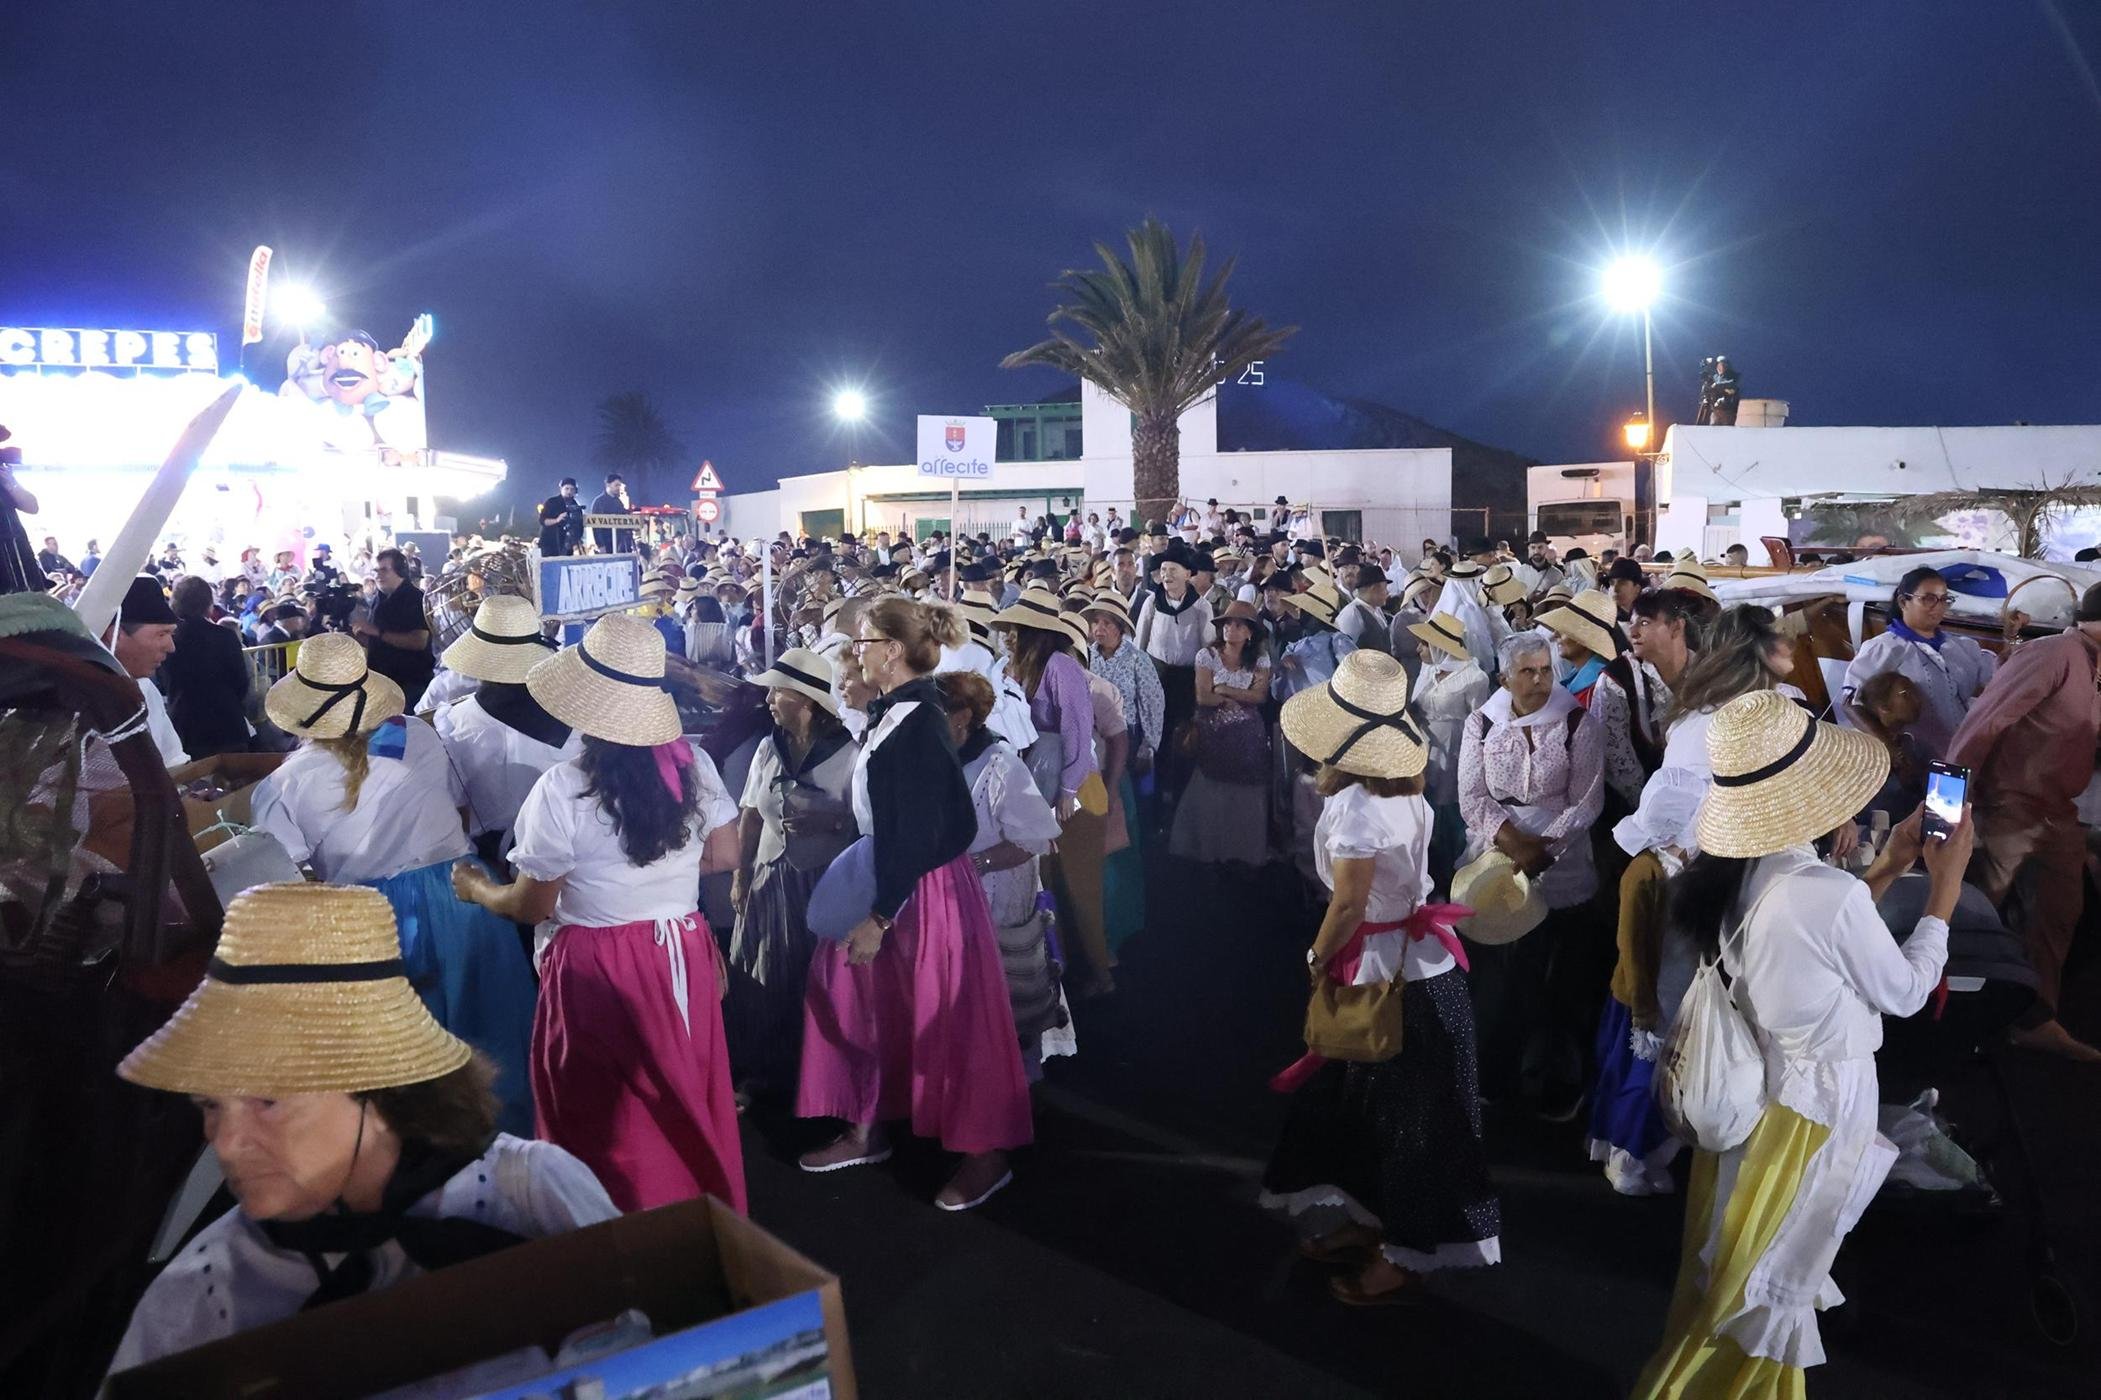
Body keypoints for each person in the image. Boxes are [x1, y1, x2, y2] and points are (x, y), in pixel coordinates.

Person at [101, 883, 618, 1380]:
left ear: (377, 1089)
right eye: (210, 1105)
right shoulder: (204, 1292)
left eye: (268, 1101)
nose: (226, 1142)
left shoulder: (525, 1191)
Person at [1633, 692, 1968, 1397]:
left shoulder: (1739, 872)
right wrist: (1945, 886)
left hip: (1760, 1097)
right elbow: (1903, 990)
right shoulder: (1818, 890)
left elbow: (1820, 949)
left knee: (1734, 1263)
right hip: (1813, 1117)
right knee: (1769, 1282)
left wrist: (1884, 868)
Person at [454, 613, 748, 1211]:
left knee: (601, 1105)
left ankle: (618, 1222)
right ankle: (696, 1212)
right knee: (683, 1089)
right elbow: (726, 854)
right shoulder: (694, 767)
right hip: (681, 946)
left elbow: (534, 904)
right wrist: (655, 885)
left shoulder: (562, 790)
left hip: (598, 963)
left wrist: (477, 890)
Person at [1261, 651, 1500, 1305]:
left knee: (1409, 1127)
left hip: (1392, 981)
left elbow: (1346, 904)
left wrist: (1314, 959)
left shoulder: (1357, 805)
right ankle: (1377, 1227)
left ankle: (1405, 1252)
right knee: (1378, 1117)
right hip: (1416, 968)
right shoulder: (1403, 783)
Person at [797, 598, 1032, 1210]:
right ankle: (869, 1123)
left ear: (892, 650)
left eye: (866, 640)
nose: (857, 650)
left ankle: (985, 1152)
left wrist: (881, 915)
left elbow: (927, 828)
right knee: (865, 1001)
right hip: (902, 879)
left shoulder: (917, 721)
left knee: (951, 1018)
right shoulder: (901, 713)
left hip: (921, 890)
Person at [251, 634, 537, 1134]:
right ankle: (512, 1155)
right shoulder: (421, 738)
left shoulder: (281, 786)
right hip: (462, 895)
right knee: (492, 1038)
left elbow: (292, 881)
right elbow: (459, 810)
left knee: (404, 1061)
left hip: (370, 920)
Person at [1945, 587, 2101, 1060]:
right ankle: (1943, 1018)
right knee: (1974, 913)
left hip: (2058, 813)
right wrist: (1942, 811)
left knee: (2058, 912)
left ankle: (2033, 1019)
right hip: (2007, 808)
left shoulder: (2094, 667)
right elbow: (1979, 726)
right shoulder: (2053, 653)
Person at [1458, 630, 1604, 1120]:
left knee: (1559, 977)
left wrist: (1546, 847)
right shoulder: (1481, 724)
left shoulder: (1576, 722)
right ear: (1505, 677)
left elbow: (1587, 799)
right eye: (1528, 672)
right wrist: (1514, 843)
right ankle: (1493, 1073)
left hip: (1559, 864)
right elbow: (1471, 797)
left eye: (1545, 670)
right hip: (1499, 858)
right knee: (1499, 978)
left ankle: (1555, 1075)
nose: (1541, 680)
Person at [726, 649, 857, 1100]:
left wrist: (833, 824)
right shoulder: (768, 747)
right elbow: (750, 817)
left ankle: (815, 1076)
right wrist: (741, 875)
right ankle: (761, 1071)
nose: (768, 701)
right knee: (761, 977)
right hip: (767, 878)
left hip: (821, 882)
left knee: (812, 977)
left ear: (805, 700)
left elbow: (865, 825)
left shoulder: (851, 753)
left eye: (777, 692)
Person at [938, 670, 1069, 1074]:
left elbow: (1035, 840)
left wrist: (977, 864)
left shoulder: (1001, 765)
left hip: (997, 900)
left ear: (961, 717)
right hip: (952, 901)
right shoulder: (937, 758)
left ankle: (1013, 1087)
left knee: (1007, 1002)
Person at [995, 585, 1111, 996]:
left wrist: (1066, 790)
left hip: (1075, 792)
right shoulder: (1017, 668)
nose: (1009, 635)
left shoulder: (1060, 666)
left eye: (1016, 628)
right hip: (1043, 792)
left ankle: (1102, 973)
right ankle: (1060, 972)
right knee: (1049, 886)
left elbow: (1078, 730)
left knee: (1080, 888)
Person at [430, 595, 576, 858]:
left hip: (488, 861)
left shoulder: (453, 723)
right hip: (569, 855)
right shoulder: (579, 714)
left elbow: (453, 805)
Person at [1839, 567, 2000, 760]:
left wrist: (2012, 637)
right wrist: (1892, 751)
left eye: (1944, 599)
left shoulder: (1961, 646)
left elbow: (2000, 676)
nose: (1938, 606)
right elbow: (1851, 704)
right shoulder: (1884, 648)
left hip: (1963, 749)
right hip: (1916, 757)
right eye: (1928, 599)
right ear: (1903, 602)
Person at [1171, 600, 1274, 869]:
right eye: (1227, 624)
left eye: (1238, 625)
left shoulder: (1260, 660)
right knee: (1212, 788)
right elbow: (1203, 696)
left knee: (1246, 790)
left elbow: (1260, 696)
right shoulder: (1207, 656)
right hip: (1212, 732)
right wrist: (1237, 697)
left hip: (1248, 738)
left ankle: (1242, 851)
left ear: (1250, 633)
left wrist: (1226, 690)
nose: (1231, 629)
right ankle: (1211, 850)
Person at [1087, 592, 1163, 954]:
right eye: (1095, 622)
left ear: (1120, 628)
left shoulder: (1137, 660)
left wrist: (1149, 744)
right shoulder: (1085, 657)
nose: (1099, 629)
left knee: (1126, 821)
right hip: (1094, 744)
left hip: (1126, 742)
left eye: (1106, 623)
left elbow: (1152, 702)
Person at [1408, 610, 1491, 890]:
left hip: (1454, 749)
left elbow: (1480, 722)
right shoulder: (1431, 670)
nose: (1419, 649)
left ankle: (1453, 875)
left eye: (1424, 644)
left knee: (1449, 806)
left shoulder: (1474, 678)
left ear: (1439, 646)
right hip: (1425, 748)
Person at [1135, 542, 1214, 789]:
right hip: (1156, 677)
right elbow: (1140, 643)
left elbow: (1208, 650)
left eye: (1173, 569)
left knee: (1182, 738)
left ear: (1188, 574)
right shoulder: (1152, 603)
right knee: (1155, 735)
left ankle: (1179, 790)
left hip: (1185, 681)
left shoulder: (1201, 607)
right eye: (1164, 569)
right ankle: (1155, 790)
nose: (1167, 574)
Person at [159, 574, 251, 759]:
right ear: (208, 603)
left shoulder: (168, 639)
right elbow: (241, 681)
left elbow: (164, 682)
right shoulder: (225, 636)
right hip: (227, 721)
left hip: (186, 724)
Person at [109, 574, 189, 767]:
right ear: (116, 634)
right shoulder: (75, 702)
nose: (171, 647)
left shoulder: (145, 689)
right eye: (161, 634)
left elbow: (173, 763)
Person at [352, 547, 435, 708]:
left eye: (384, 570)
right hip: (383, 683)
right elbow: (381, 639)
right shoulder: (378, 598)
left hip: (410, 684)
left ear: (401, 571)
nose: (378, 575)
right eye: (376, 570)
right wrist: (363, 637)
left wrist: (376, 632)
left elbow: (418, 641)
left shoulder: (415, 598)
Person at [1538, 589, 1624, 710]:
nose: (1555, 635)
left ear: (1583, 637)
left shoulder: (1599, 687)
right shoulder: (1580, 677)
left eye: (1564, 630)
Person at [1332, 563, 1392, 656]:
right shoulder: (1352, 614)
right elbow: (1343, 651)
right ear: (1373, 589)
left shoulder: (1375, 608)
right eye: (1385, 588)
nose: (1387, 592)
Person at [539, 476, 586, 556]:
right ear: (561, 489)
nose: (569, 491)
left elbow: (580, 527)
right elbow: (543, 520)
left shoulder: (577, 507)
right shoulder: (551, 502)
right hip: (550, 545)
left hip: (568, 547)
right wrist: (557, 520)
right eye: (566, 488)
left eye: (572, 489)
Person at [589, 473, 634, 554]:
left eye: (619, 485)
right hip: (606, 544)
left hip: (620, 544)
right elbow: (596, 527)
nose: (618, 488)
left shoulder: (618, 502)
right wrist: (601, 545)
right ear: (608, 485)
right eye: (616, 485)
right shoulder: (599, 502)